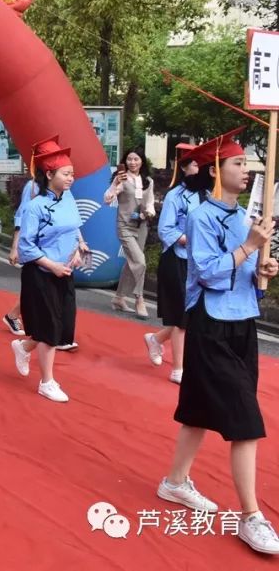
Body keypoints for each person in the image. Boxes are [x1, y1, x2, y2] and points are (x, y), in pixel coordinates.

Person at [155, 128, 279, 556]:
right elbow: (207, 273)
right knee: (245, 421)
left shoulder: (244, 215)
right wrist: (249, 247)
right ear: (215, 171)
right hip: (210, 323)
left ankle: (174, 482)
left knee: (199, 412)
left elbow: (244, 274)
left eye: (246, 164)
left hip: (243, 322)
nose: (246, 171)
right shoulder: (200, 215)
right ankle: (251, 516)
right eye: (238, 164)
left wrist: (263, 272)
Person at [10, 143, 85, 403]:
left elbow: (74, 227)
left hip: (64, 270)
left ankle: (24, 347)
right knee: (50, 326)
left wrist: (77, 249)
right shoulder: (36, 206)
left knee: (63, 325)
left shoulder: (69, 199)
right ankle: (47, 381)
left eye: (72, 173)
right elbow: (26, 246)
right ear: (49, 174)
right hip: (41, 273)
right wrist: (50, 265)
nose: (71, 178)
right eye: (66, 173)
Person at [147, 143, 199, 383]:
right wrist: (189, 238)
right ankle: (178, 368)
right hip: (177, 259)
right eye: (196, 164)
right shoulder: (175, 195)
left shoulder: (208, 195)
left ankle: (156, 339)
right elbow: (166, 229)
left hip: (199, 261)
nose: (202, 169)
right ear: (185, 168)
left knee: (191, 316)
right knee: (180, 317)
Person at [4, 136, 61, 335]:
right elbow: (22, 217)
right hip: (37, 246)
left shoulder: (63, 188)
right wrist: (15, 247)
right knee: (38, 287)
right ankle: (21, 320)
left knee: (48, 288)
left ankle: (18, 318)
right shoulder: (33, 187)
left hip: (55, 244)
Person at [105, 148, 157, 318]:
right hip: (125, 226)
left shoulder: (148, 181)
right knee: (140, 261)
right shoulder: (122, 179)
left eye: (136, 159)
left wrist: (149, 212)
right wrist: (114, 184)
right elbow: (107, 199)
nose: (132, 162)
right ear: (125, 161)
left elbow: (150, 202)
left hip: (141, 225)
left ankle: (119, 298)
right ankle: (139, 298)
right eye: (129, 159)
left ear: (142, 161)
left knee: (132, 262)